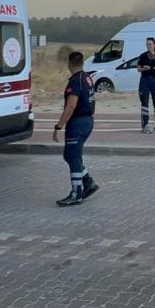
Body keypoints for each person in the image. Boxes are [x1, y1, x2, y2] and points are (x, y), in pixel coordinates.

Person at [54, 50, 98, 207]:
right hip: (87, 120)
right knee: (70, 155)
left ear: (69, 63)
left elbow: (71, 106)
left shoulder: (75, 81)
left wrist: (58, 126)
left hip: (78, 123)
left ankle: (76, 193)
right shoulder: (87, 78)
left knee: (73, 157)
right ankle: (88, 182)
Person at [137, 36, 155, 134]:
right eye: (147, 44)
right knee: (144, 103)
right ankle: (145, 126)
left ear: (154, 44)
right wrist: (144, 68)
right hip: (144, 81)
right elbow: (138, 68)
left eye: (149, 44)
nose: (148, 46)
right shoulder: (143, 56)